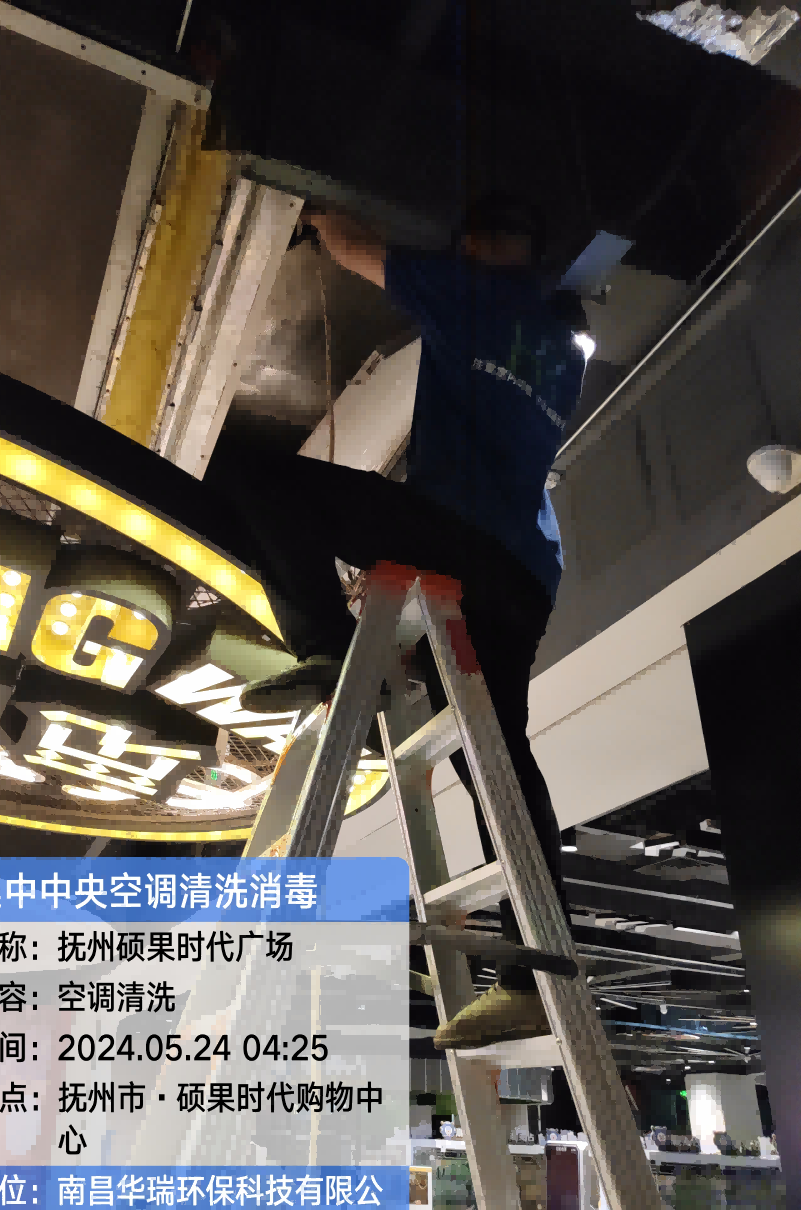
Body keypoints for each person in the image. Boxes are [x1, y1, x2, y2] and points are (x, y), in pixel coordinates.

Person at [201, 193, 588, 1049]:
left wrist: (315, 213)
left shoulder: (469, 291)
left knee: (255, 477)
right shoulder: (562, 350)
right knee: (498, 759)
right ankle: (533, 976)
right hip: (526, 575)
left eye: (468, 239)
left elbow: (356, 247)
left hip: (458, 539)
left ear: (479, 245)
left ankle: (327, 650)